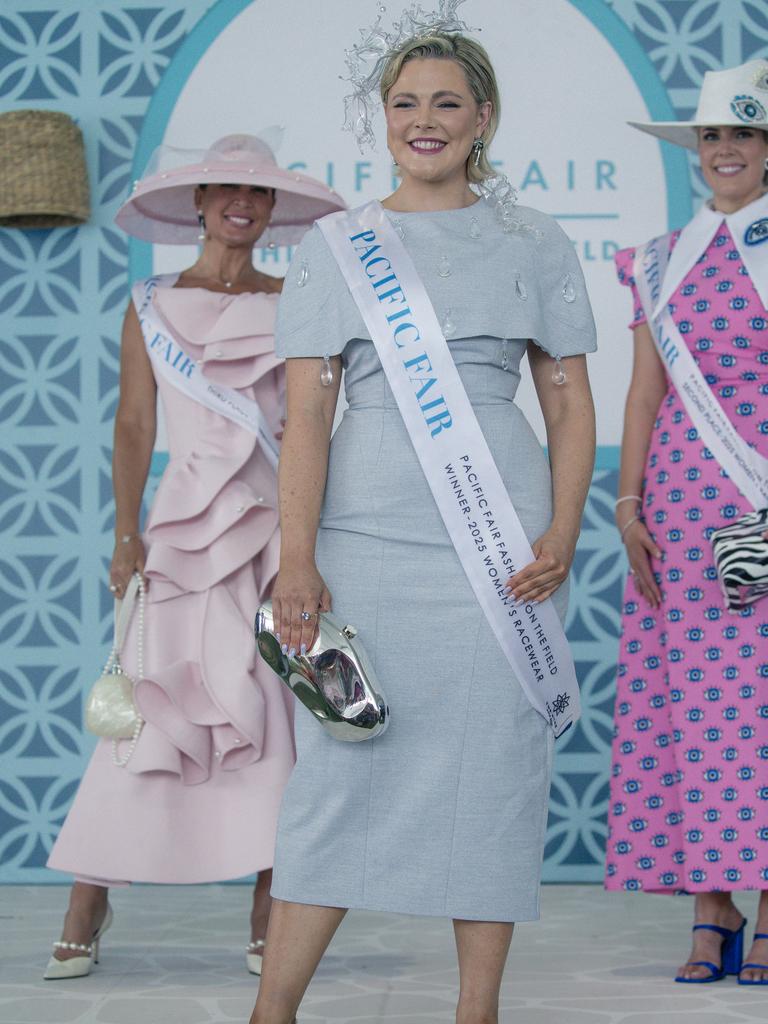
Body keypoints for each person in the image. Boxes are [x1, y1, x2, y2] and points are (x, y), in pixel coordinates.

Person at [248, 18, 597, 1024]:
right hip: (364, 543)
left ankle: (474, 1010)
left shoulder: (536, 240)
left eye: (447, 103)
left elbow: (568, 402)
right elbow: (307, 411)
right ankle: (275, 1013)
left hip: (501, 548)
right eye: (407, 104)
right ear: (383, 120)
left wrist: (563, 533)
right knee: (336, 780)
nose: (425, 121)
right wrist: (299, 558)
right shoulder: (335, 246)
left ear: (484, 118)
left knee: (493, 777)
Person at [43, 135, 345, 980]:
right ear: (201, 203)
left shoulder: (300, 302)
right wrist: (125, 531)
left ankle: (268, 906)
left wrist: (305, 548)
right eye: (225, 191)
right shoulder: (147, 302)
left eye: (257, 192)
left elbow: (315, 433)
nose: (241, 204)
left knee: (270, 718)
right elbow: (135, 424)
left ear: (270, 208)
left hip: (268, 538)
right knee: (150, 711)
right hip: (180, 537)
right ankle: (89, 897)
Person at [606, 59, 768, 986]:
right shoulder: (658, 259)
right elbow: (644, 393)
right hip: (678, 508)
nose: (725, 151)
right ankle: (712, 910)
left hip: (760, 500)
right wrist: (627, 503)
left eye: (743, 134)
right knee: (699, 710)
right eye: (713, 136)